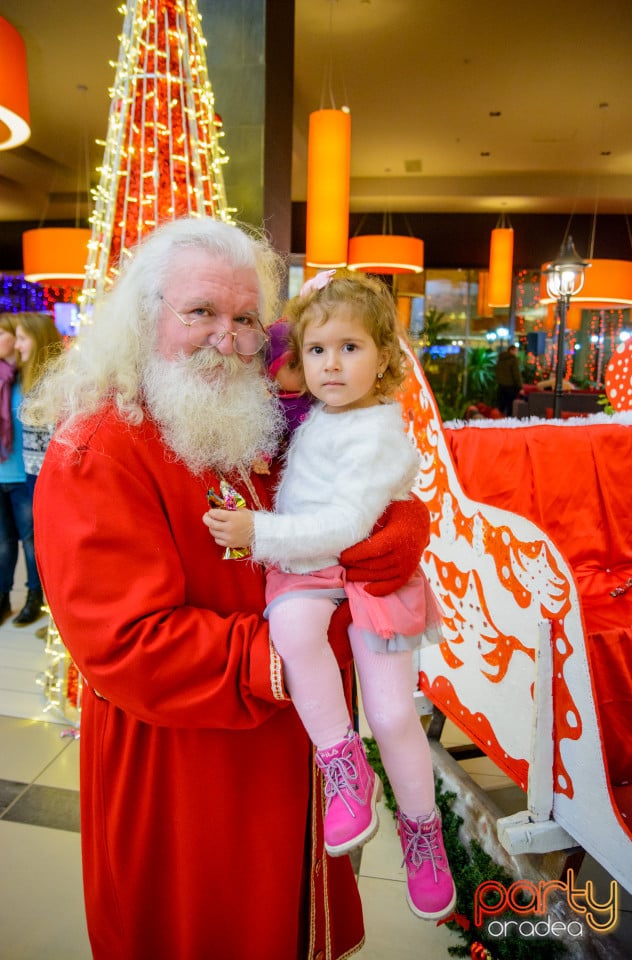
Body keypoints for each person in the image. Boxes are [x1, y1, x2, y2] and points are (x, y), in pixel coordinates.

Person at [23, 217, 430, 960]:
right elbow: (130, 646)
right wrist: (320, 636)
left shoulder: (254, 422)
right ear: (148, 320)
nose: (230, 338)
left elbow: (336, 504)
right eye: (201, 312)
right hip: (190, 784)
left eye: (246, 318)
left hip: (291, 755)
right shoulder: (98, 448)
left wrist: (398, 525)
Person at [205, 269, 456, 922]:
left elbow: (347, 525)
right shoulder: (315, 408)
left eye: (351, 348)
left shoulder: (374, 430)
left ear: (384, 359)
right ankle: (343, 763)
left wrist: (256, 531)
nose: (331, 365)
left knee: (395, 712)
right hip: (307, 564)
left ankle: (422, 830)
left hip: (364, 564)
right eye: (317, 351)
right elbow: (280, 353)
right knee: (290, 635)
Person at [0, 313, 45, 627]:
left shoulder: (31, 379)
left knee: (31, 541)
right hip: (2, 472)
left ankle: (34, 598)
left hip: (24, 475)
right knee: (3, 542)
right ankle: (3, 597)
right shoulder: (4, 376)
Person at [15, 312, 63, 493]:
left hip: (47, 473)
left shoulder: (54, 381)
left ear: (38, 339)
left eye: (22, 339)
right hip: (33, 469)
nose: (17, 345)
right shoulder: (31, 378)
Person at [495, 343, 522, 416]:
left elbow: (497, 372)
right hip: (511, 386)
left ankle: (499, 421)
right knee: (510, 406)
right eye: (515, 351)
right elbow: (516, 375)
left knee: (501, 406)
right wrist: (519, 386)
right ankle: (508, 423)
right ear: (511, 350)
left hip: (501, 385)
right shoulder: (513, 360)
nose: (516, 353)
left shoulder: (500, 359)